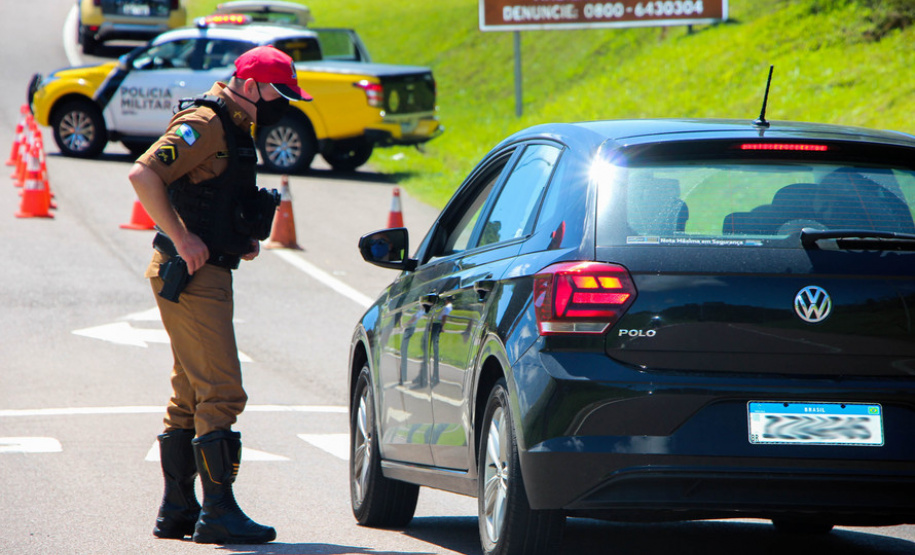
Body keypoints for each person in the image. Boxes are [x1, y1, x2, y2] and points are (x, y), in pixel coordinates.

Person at [127, 45, 310, 545]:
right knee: (222, 390)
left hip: (205, 269)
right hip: (192, 275)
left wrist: (236, 234)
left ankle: (178, 510)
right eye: (279, 93)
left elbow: (208, 190)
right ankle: (219, 514)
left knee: (189, 392)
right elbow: (144, 174)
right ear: (250, 86)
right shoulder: (206, 123)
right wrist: (183, 237)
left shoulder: (234, 124)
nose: (285, 104)